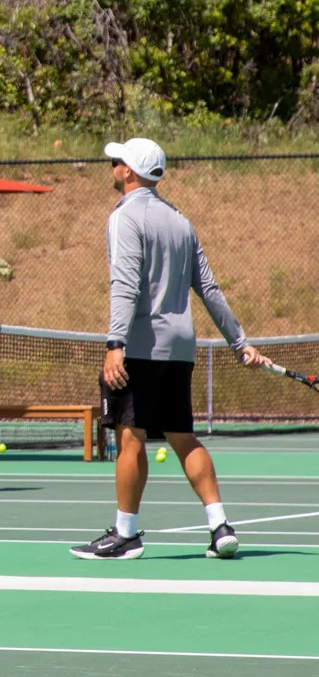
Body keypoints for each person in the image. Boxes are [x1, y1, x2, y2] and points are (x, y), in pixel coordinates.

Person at [70, 138, 261, 561]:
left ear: (130, 172)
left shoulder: (123, 218)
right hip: (179, 348)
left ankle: (125, 535)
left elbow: (125, 284)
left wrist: (115, 343)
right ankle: (219, 526)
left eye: (118, 161)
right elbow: (208, 288)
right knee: (182, 436)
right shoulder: (180, 221)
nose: (113, 165)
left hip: (139, 344)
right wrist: (240, 342)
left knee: (130, 436)